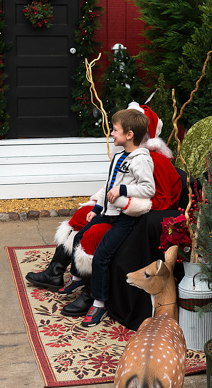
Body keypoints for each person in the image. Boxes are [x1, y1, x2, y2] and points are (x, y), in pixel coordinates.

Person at [58, 108, 154, 327]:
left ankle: (99, 303)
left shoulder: (141, 160)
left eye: (115, 130)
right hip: (108, 213)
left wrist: (124, 190)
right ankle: (77, 278)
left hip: (124, 218)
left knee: (101, 256)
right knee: (79, 236)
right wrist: (98, 207)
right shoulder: (119, 156)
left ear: (129, 134)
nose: (111, 133)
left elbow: (148, 189)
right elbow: (108, 185)